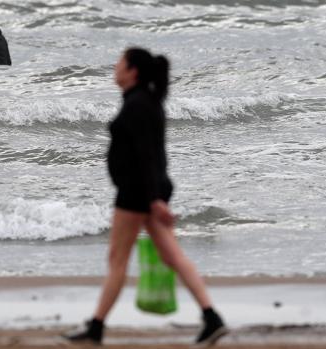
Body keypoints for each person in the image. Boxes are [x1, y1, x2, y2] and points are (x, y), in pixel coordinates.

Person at [62, 48, 227, 346]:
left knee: (117, 259)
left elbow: (147, 156)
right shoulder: (147, 101)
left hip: (137, 195)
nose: (115, 68)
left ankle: (96, 328)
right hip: (148, 192)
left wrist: (153, 200)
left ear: (133, 71)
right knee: (171, 255)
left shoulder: (138, 104)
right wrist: (158, 195)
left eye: (120, 63)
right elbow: (153, 156)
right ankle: (212, 317)